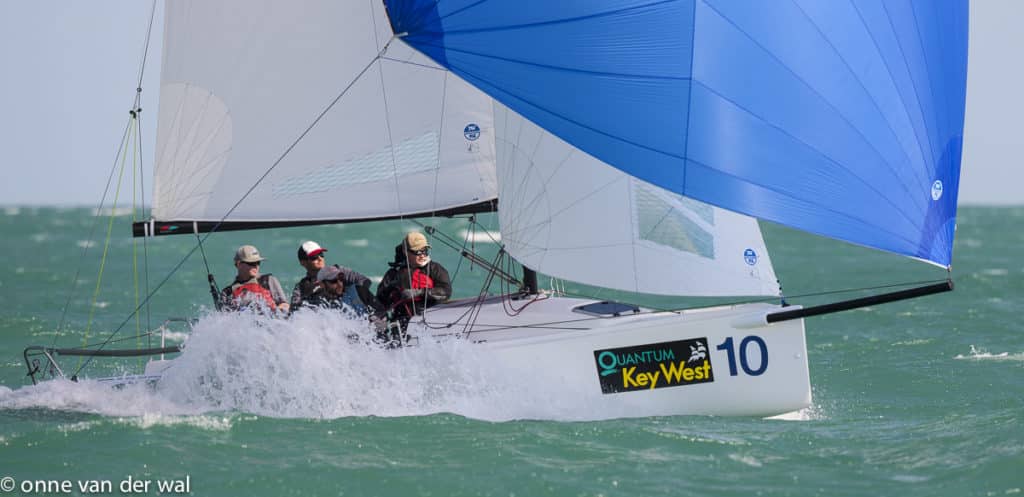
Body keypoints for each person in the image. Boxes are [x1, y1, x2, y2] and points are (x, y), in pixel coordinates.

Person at [376, 231, 452, 320]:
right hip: (402, 321)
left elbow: (446, 291)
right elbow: (380, 301)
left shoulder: (435, 269)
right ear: (406, 252)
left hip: (431, 320)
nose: (422, 255)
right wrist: (391, 288)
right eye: (418, 252)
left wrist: (419, 292)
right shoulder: (393, 273)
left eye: (425, 250)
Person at [290, 240, 378, 312]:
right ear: (303, 262)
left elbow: (365, 281)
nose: (320, 258)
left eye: (321, 254)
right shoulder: (301, 288)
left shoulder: (340, 271)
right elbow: (294, 312)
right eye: (314, 257)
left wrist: (347, 298)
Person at [220, 245, 290, 314]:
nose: (256, 266)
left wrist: (274, 312)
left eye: (258, 263)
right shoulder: (227, 292)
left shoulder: (269, 280)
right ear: (239, 264)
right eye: (252, 263)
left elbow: (285, 305)